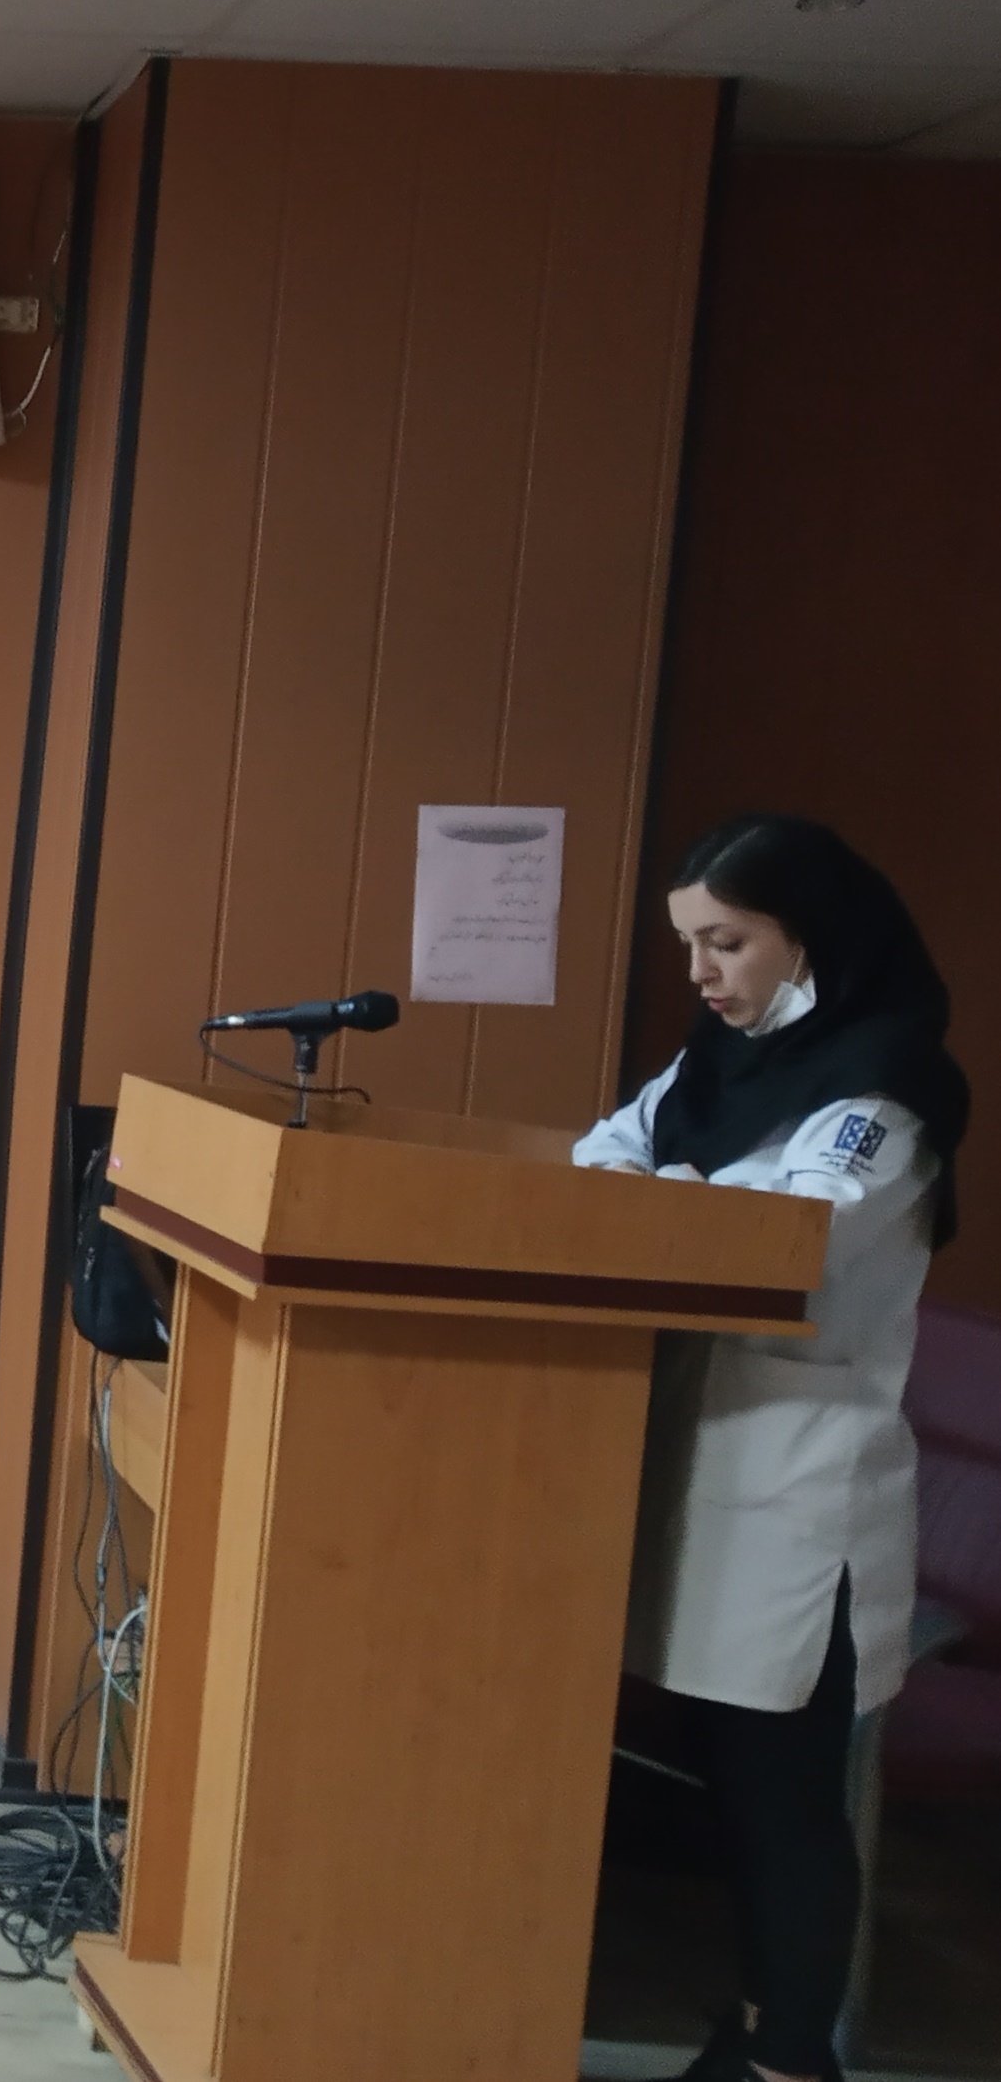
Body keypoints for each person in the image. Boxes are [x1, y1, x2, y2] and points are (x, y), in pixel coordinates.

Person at [574, 815, 970, 2082]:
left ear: (810, 938)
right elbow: (600, 1158)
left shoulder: (881, 1096)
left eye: (727, 942)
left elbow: (786, 1243)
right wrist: (667, 1196)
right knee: (716, 1780)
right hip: (701, 1476)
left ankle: (791, 2058)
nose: (700, 973)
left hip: (803, 1501)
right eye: (689, 944)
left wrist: (664, 1201)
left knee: (780, 1797)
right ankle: (750, 2037)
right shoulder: (715, 1064)